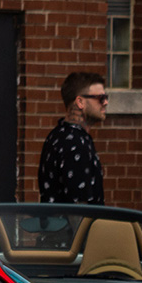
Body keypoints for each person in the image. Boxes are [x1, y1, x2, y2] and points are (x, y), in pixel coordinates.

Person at [38, 72, 107, 204]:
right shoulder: (75, 144)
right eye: (100, 98)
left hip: (55, 223)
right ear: (80, 102)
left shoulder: (57, 135)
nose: (105, 102)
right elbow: (79, 209)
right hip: (71, 224)